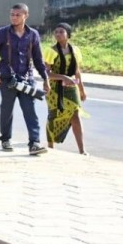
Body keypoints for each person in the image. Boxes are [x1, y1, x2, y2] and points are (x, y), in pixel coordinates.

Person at [0, 3, 49, 155]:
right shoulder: (1, 33)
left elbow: (38, 59)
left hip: (27, 80)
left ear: (26, 15)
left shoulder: (33, 35)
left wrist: (45, 78)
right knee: (7, 110)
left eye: (18, 15)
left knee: (30, 111)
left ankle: (34, 143)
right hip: (7, 80)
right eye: (12, 14)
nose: (14, 17)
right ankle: (5, 139)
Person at [46, 23, 89, 154]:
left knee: (75, 114)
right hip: (55, 89)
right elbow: (47, 73)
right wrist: (63, 77)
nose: (58, 34)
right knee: (54, 116)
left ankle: (82, 150)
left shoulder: (75, 50)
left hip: (72, 87)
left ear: (68, 34)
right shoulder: (51, 51)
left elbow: (77, 71)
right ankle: (50, 146)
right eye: (56, 32)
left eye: (61, 32)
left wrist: (82, 89)